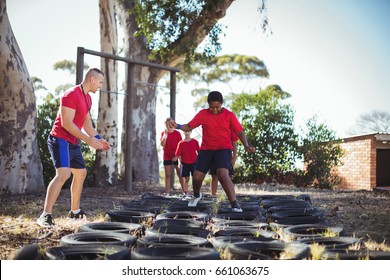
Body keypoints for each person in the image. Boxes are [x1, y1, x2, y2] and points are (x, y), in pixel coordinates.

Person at [36, 68, 110, 228]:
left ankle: (74, 212)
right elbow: (66, 123)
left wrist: (98, 139)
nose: (100, 85)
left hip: (73, 141)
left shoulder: (88, 99)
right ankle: (45, 215)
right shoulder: (71, 94)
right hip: (60, 139)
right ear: (92, 79)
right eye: (100, 82)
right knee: (63, 174)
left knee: (81, 173)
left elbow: (87, 124)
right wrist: (88, 140)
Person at [169, 91, 255, 211]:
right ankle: (197, 195)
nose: (214, 110)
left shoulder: (229, 115)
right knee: (197, 177)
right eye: (212, 107)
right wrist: (177, 125)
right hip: (206, 150)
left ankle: (235, 204)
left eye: (217, 107)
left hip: (223, 149)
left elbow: (239, 132)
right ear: (208, 105)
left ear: (222, 104)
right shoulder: (203, 114)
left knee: (222, 174)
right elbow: (189, 126)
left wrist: (246, 145)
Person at [160, 117, 183, 196]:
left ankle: (184, 191)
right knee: (168, 175)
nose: (169, 125)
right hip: (167, 156)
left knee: (180, 173)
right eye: (167, 123)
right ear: (165, 124)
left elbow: (181, 146)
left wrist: (177, 156)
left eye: (171, 123)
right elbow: (162, 144)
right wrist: (165, 135)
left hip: (176, 155)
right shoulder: (164, 133)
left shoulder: (177, 133)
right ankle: (167, 192)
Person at [210, 132, 238, 196]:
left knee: (226, 175)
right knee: (214, 176)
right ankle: (213, 195)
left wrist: (234, 157)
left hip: (226, 153)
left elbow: (234, 143)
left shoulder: (231, 128)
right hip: (213, 152)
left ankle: (231, 196)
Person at [174, 130, 200, 196]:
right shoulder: (181, 143)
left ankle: (196, 192)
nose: (187, 133)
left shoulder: (195, 141)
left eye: (188, 131)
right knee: (186, 179)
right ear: (183, 132)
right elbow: (179, 154)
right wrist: (180, 163)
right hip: (185, 163)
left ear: (191, 132)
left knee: (195, 178)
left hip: (194, 162)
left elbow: (199, 151)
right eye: (185, 131)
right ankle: (185, 192)